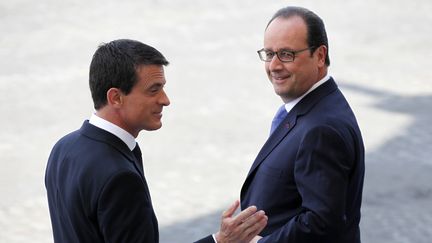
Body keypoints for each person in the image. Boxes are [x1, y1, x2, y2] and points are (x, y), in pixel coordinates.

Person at [45, 39, 267, 243]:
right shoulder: (119, 177)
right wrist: (221, 241)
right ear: (116, 97)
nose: (165, 100)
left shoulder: (63, 148)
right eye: (154, 90)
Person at [240, 6, 365, 243]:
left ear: (319, 56)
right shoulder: (314, 109)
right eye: (269, 53)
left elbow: (321, 224)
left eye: (287, 54)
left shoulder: (322, 129)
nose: (274, 65)